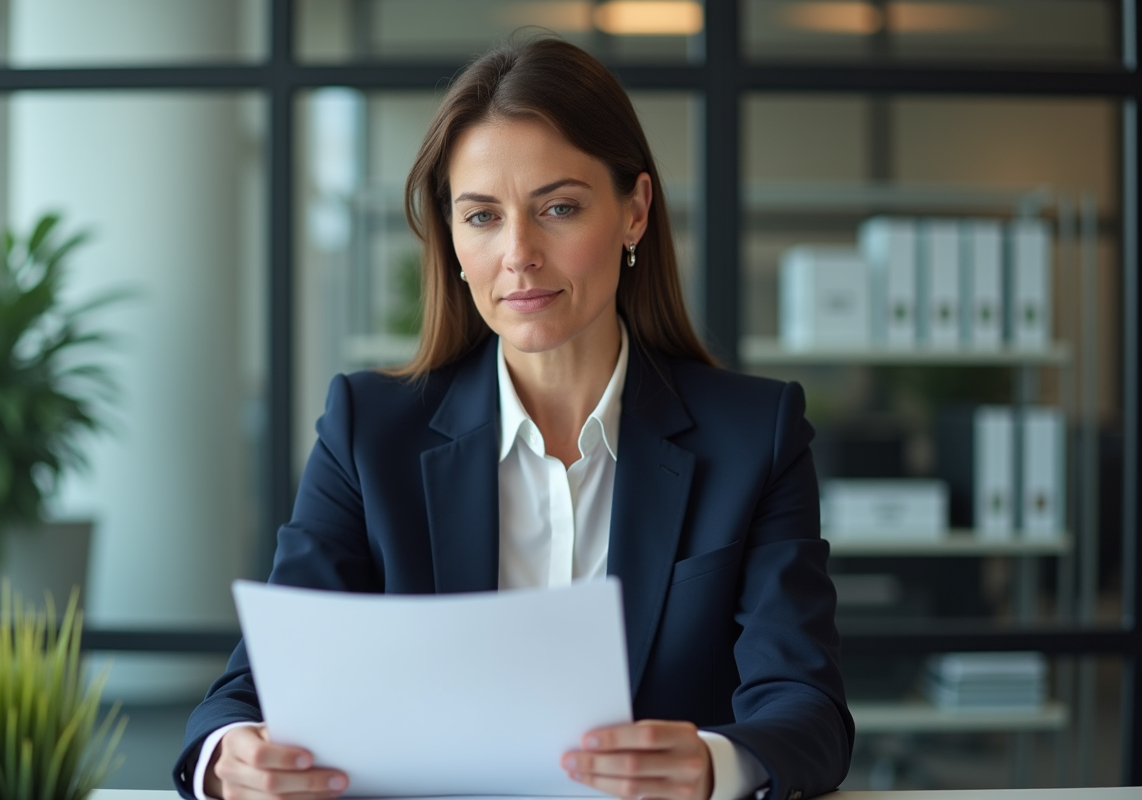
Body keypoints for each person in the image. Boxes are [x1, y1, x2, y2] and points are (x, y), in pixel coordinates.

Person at [174, 35, 853, 800]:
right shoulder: (368, 432)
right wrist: (230, 759)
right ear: (452, 235)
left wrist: (712, 765)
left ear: (634, 211)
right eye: (482, 216)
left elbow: (808, 712)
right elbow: (248, 696)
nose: (518, 253)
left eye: (558, 208)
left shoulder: (754, 436)